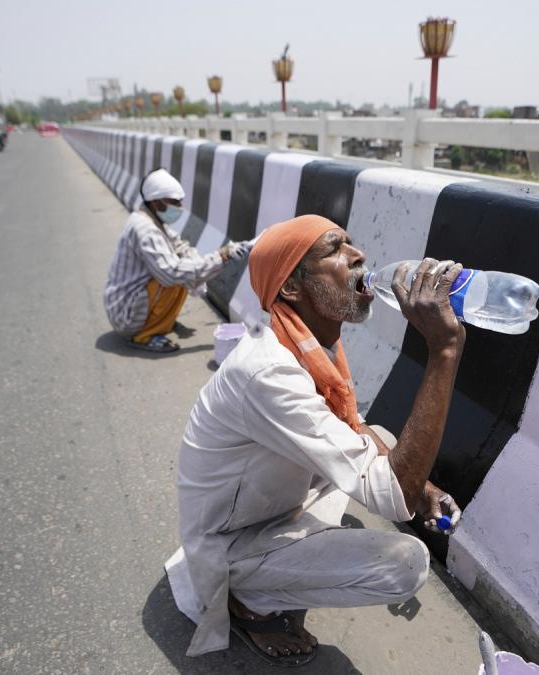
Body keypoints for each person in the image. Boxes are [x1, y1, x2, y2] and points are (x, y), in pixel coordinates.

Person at [172, 214, 466, 665]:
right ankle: (248, 602)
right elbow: (392, 497)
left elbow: (353, 428)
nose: (358, 255)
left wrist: (422, 488)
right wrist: (443, 351)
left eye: (351, 243)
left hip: (267, 503)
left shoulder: (310, 346)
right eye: (334, 249)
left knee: (380, 438)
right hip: (231, 541)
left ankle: (286, 565)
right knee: (406, 564)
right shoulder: (270, 371)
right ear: (292, 288)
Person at [103, 168, 250, 353]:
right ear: (156, 202)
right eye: (174, 203)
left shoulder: (153, 222)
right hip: (125, 315)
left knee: (186, 267)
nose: (179, 208)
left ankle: (155, 323)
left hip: (128, 306)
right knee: (175, 276)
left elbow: (181, 247)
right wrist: (220, 257)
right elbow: (171, 272)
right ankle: (142, 336)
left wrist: (217, 258)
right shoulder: (144, 229)